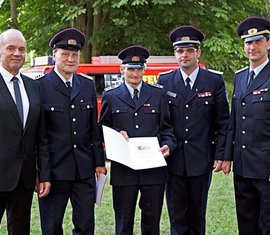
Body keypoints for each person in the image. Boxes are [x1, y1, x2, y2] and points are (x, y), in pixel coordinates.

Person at [157, 25, 229, 235]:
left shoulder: (214, 81)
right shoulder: (165, 81)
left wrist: (221, 154)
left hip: (201, 159)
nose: (184, 55)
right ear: (175, 53)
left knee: (198, 216)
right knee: (176, 217)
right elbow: (161, 122)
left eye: (189, 50)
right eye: (180, 50)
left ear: (198, 52)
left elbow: (223, 121)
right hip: (173, 160)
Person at [99, 45, 176, 235]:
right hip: (124, 171)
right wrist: (117, 133)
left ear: (144, 70)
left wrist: (168, 145)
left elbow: (167, 129)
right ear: (122, 70)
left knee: (152, 224)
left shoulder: (158, 94)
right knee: (124, 223)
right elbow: (102, 129)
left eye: (139, 68)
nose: (135, 73)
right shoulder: (111, 96)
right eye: (130, 69)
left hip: (153, 170)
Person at [38, 28, 106, 235]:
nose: (70, 58)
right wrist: (42, 174)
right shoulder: (40, 86)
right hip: (55, 172)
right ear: (54, 56)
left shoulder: (86, 84)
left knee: (86, 226)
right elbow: (39, 136)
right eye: (65, 54)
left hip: (84, 171)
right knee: (51, 227)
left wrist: (99, 163)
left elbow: (93, 130)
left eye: (74, 54)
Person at [0, 29, 51, 235]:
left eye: (21, 49)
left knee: (20, 230)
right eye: (10, 48)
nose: (17, 53)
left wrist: (43, 173)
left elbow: (41, 135)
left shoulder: (33, 86)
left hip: (25, 178)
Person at [223, 16, 270, 235]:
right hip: (243, 166)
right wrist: (227, 156)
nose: (252, 47)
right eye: (248, 42)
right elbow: (234, 121)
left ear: (268, 43)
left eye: (258, 41)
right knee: (246, 222)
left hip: (266, 167)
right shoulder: (240, 77)